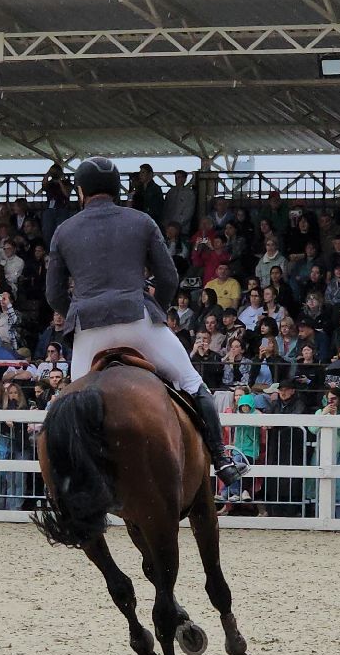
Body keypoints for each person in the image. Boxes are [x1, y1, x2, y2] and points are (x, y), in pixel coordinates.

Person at [45, 156, 246, 483]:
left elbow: (54, 293)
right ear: (117, 189)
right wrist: (155, 310)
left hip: (88, 333)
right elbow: (168, 278)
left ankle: (68, 481)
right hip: (138, 322)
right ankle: (222, 461)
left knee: (71, 407)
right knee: (194, 384)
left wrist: (79, 314)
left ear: (80, 192)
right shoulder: (141, 221)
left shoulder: (64, 231)